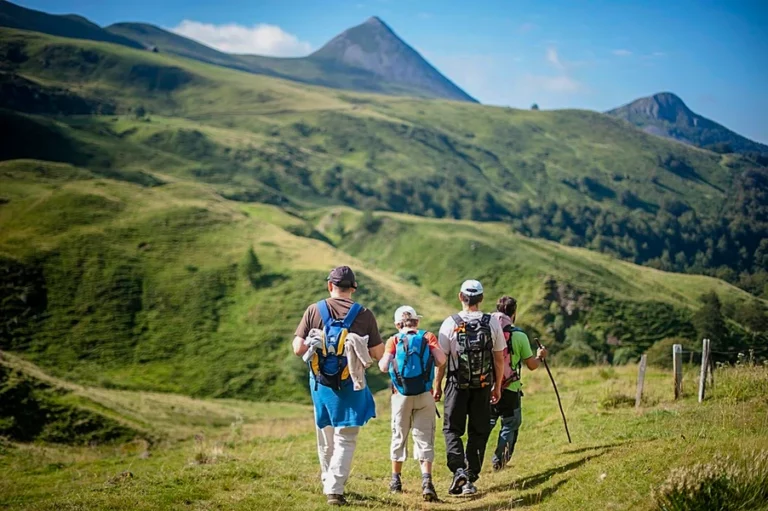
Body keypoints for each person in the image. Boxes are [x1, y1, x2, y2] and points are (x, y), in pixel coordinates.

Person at [292, 266, 385, 507]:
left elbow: (297, 348)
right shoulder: (364, 314)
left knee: (325, 435)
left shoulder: (314, 310)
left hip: (321, 384)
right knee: (346, 438)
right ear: (353, 288)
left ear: (330, 286)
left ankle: (327, 481)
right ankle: (334, 488)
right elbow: (377, 353)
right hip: (351, 383)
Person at [433, 279, 506, 496]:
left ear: (460, 297)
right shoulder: (491, 322)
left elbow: (442, 361)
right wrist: (497, 386)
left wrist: (437, 385)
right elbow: (499, 358)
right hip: (483, 384)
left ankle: (458, 470)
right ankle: (470, 476)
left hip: (456, 384)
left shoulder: (449, 323)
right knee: (479, 430)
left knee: (451, 429)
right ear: (481, 299)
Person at [378, 305, 447, 502]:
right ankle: (426, 482)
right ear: (417, 321)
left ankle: (395, 481)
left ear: (397, 323)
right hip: (425, 394)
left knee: (399, 434)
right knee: (425, 436)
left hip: (401, 395)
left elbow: (383, 367)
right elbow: (441, 360)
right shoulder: (427, 337)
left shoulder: (394, 340)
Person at [489, 296, 548, 471]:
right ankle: (499, 462)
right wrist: (540, 356)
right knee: (510, 424)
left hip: (487, 387)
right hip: (510, 388)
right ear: (514, 313)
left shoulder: (486, 331)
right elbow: (531, 365)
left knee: (484, 424)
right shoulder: (519, 336)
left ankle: (473, 461)